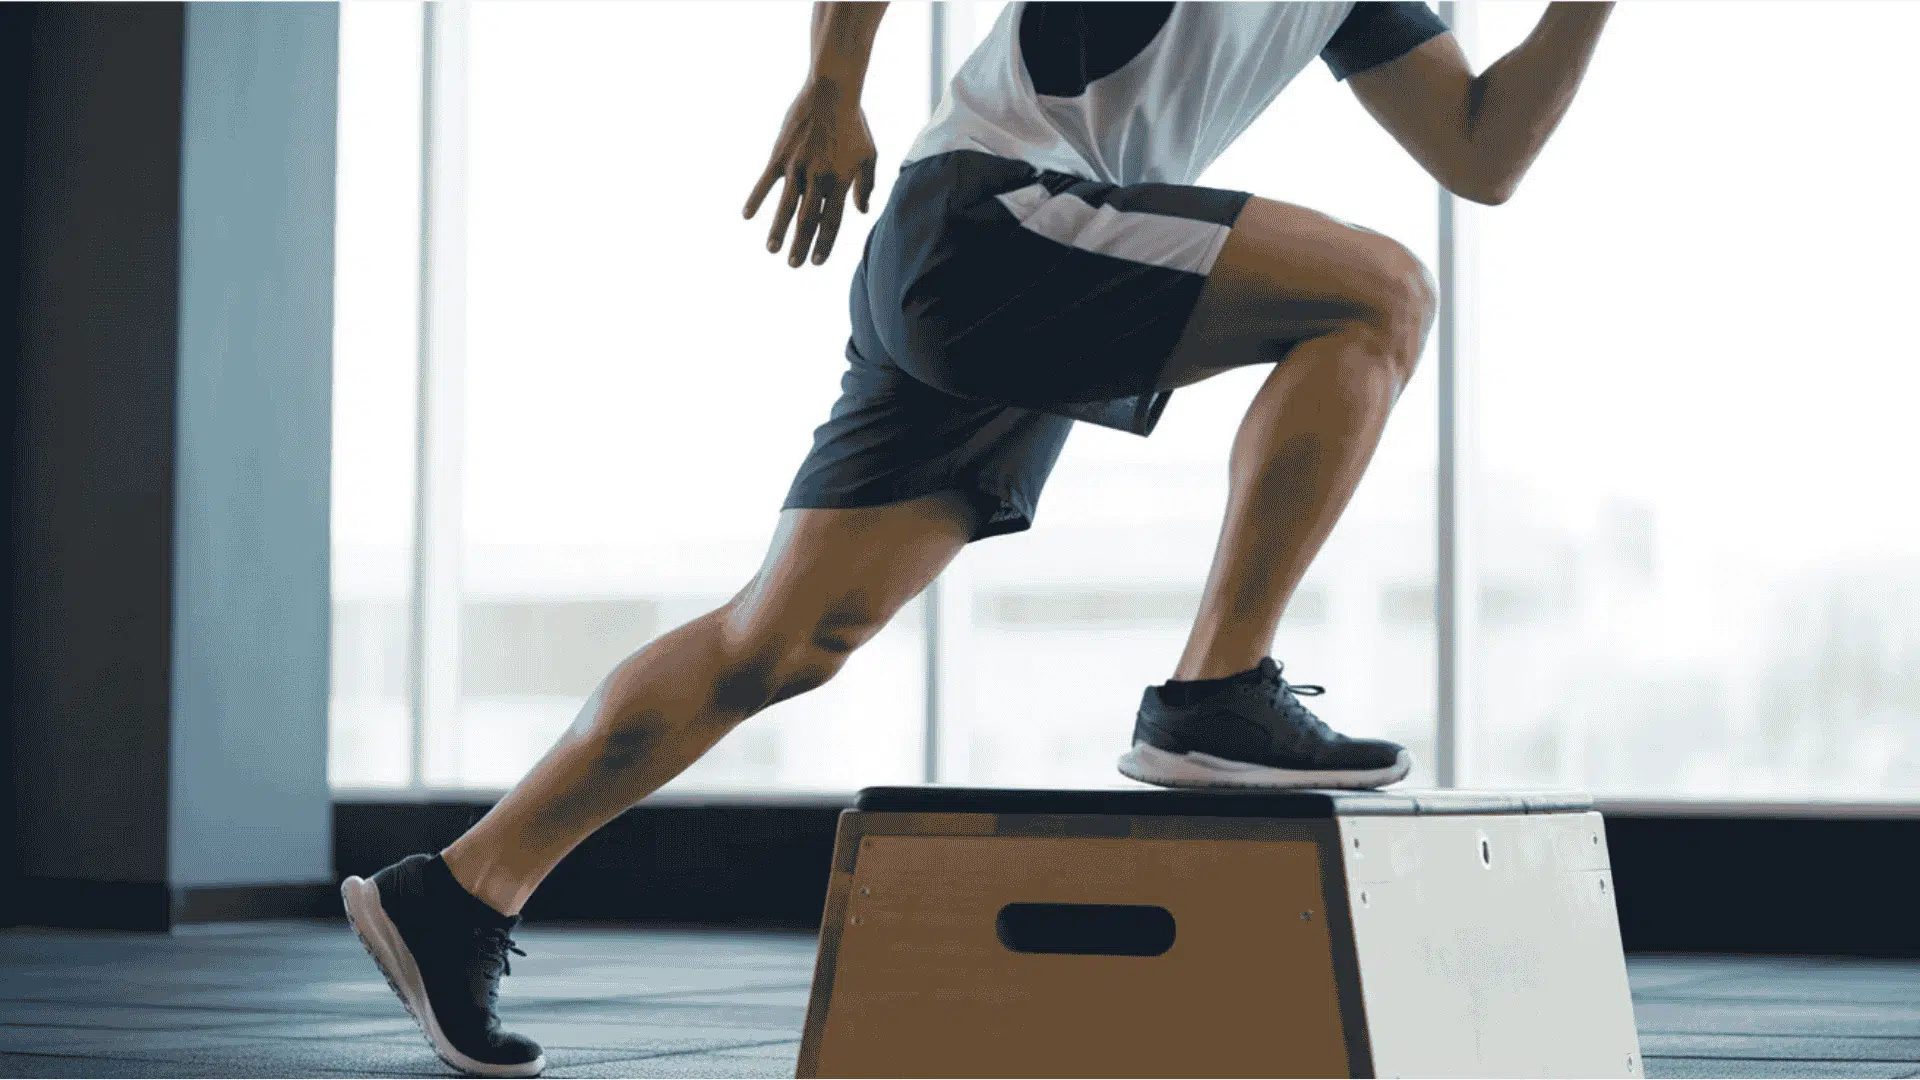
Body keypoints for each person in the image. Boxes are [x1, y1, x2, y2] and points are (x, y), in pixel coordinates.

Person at [341, 2, 1615, 1075]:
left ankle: (458, 891)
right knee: (1381, 293)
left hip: (1015, 263)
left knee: (780, 640)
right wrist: (834, 83)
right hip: (995, 219)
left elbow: (1480, 147)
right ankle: (1215, 692)